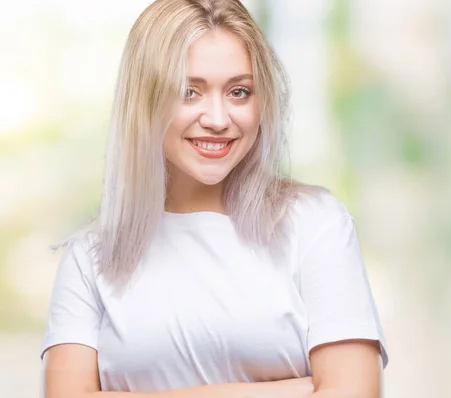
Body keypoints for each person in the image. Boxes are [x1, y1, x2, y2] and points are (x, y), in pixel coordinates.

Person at [40, 0, 389, 397]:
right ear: (144, 100)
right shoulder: (91, 256)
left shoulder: (315, 224)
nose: (219, 119)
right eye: (189, 92)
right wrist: (291, 390)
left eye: (239, 92)